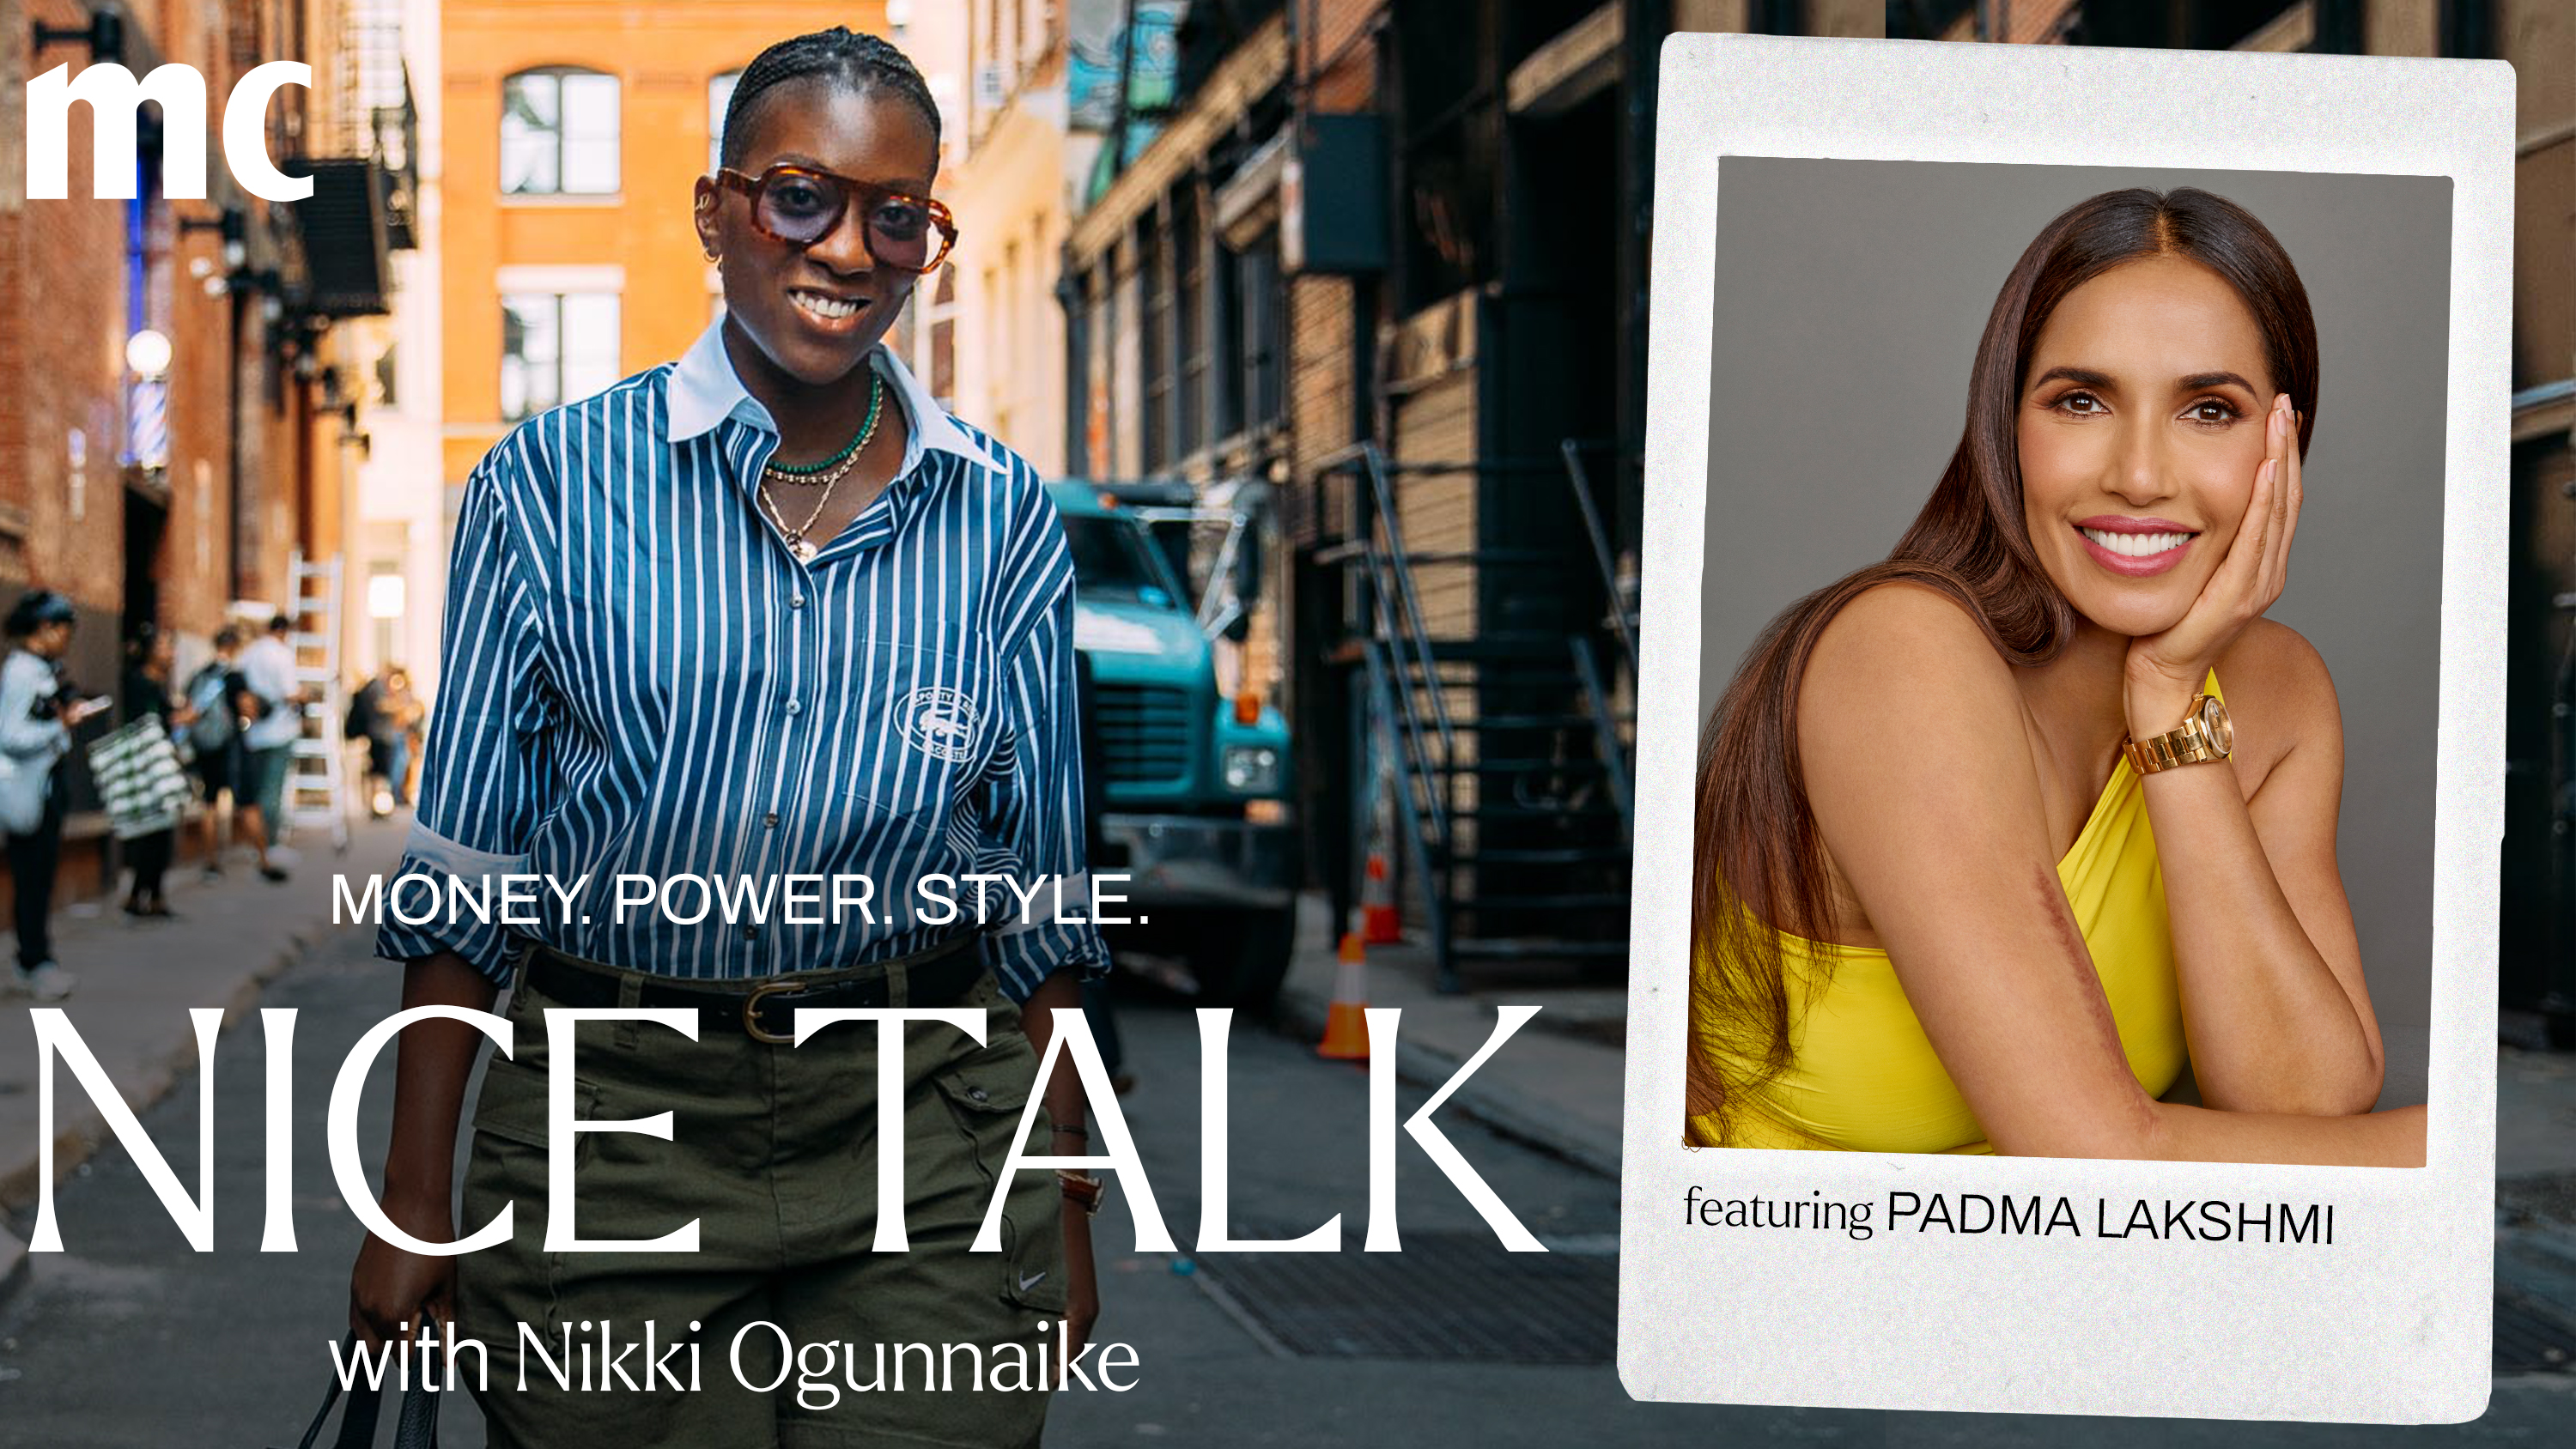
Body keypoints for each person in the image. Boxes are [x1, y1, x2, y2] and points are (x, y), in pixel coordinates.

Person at [349, 27, 1108, 1447]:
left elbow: (1042, 904)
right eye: (799, 196)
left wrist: (1067, 1198)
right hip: (611, 1126)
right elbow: (466, 881)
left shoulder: (1003, 516)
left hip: (927, 1131)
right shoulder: (547, 486)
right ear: (717, 211)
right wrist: (414, 1197)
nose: (848, 247)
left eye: (900, 215)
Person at [1687, 187, 2425, 1167]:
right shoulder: (1899, 654)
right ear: (2007, 425)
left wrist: (2171, 704)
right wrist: (2442, 1152)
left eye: (2210, 409)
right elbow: (2088, 1152)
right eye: (2082, 400)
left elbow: (2303, 1105)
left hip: (2055, 1296)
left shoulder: (2275, 693)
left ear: (2281, 444)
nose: (2139, 473)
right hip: (1789, 1298)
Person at [1, 591, 109, 999]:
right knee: (32, 878)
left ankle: (35, 958)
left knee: (39, 878)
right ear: (45, 629)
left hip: (44, 787)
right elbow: (9, 734)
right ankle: (34, 961)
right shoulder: (22, 672)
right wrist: (58, 728)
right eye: (64, 630)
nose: (68, 639)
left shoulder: (40, 670)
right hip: (29, 790)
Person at [117, 622, 197, 918]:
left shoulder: (157, 685)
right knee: (151, 832)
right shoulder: (139, 684)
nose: (171, 653)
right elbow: (146, 726)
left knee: (159, 833)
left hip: (161, 765)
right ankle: (143, 896)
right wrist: (179, 719)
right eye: (164, 647)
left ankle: (150, 895)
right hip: (146, 767)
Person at [234, 611, 302, 868]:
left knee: (258, 790)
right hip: (279, 730)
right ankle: (270, 846)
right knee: (273, 791)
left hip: (254, 732)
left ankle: (257, 846)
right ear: (285, 631)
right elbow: (289, 693)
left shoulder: (250, 652)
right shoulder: (282, 655)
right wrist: (306, 695)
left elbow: (241, 684)